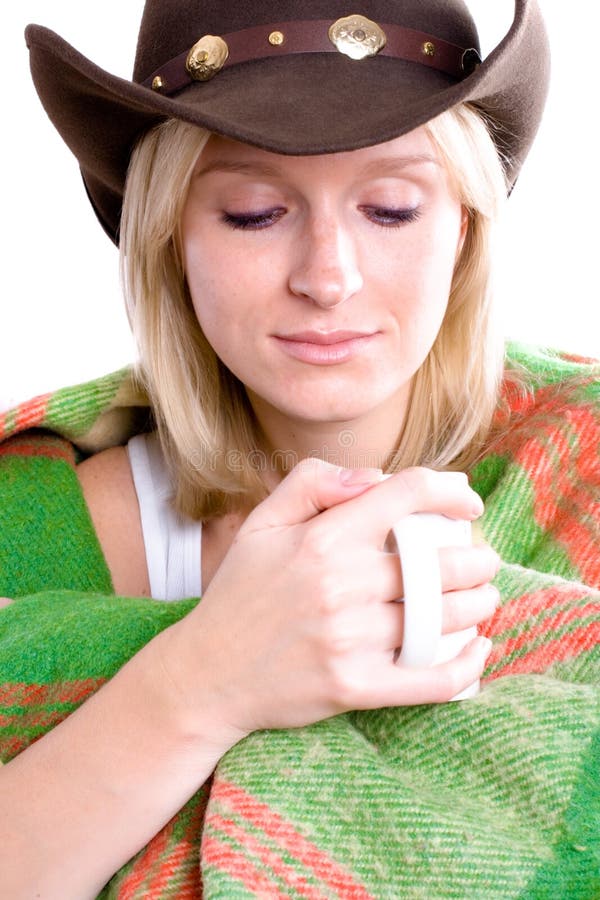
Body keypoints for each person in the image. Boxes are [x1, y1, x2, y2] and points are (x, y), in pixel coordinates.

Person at [0, 1, 598, 897]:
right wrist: (208, 679)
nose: (328, 277)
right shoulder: (40, 529)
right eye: (253, 212)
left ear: (463, 230)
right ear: (171, 241)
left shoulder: (579, 461)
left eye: (391, 208)